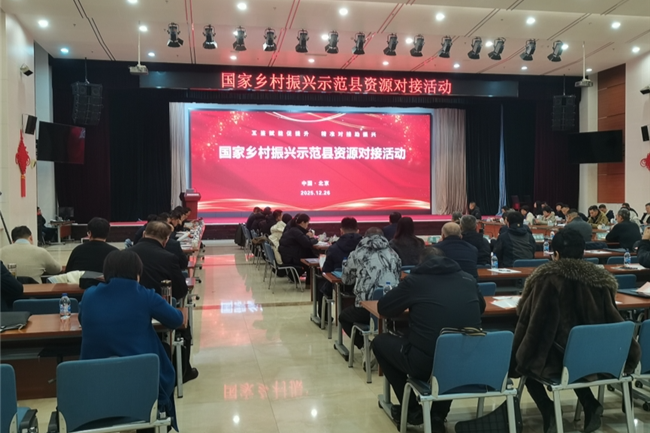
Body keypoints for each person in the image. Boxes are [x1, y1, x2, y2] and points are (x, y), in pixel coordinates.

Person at [513, 230, 640, 433]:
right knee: (576, 358)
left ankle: (548, 410)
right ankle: (590, 404)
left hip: (561, 360)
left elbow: (535, 322)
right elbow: (612, 317)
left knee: (525, 365)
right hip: (600, 357)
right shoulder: (601, 280)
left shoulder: (547, 279)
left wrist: (520, 353)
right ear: (583, 252)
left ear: (555, 254)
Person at [372, 247, 485, 430]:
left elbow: (384, 308)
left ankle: (412, 410)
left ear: (421, 264)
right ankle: (438, 415)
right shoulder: (468, 279)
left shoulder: (415, 281)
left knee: (379, 343)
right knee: (452, 348)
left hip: (426, 364)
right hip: (467, 362)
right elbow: (481, 307)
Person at [79, 249, 184, 431]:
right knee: (163, 351)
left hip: (94, 387)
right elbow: (176, 320)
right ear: (137, 273)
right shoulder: (145, 295)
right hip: (140, 385)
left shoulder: (89, 295)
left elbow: (83, 320)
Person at [130, 221, 196, 383]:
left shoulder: (127, 254)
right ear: (166, 240)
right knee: (183, 324)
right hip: (161, 312)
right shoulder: (168, 258)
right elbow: (181, 290)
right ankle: (184, 371)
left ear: (144, 234)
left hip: (131, 312)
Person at [340, 227, 401, 352]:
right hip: (392, 305)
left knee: (344, 317)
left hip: (366, 308)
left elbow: (346, 280)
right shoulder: (393, 253)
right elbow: (398, 276)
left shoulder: (357, 253)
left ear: (365, 237)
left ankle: (365, 346)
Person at [319, 217, 363, 316]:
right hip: (362, 287)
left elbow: (326, 270)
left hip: (340, 285)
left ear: (341, 231)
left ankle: (324, 317)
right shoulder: (365, 247)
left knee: (321, 285)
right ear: (358, 231)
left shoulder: (333, 248)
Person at [278, 213, 318, 278]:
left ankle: (313, 279)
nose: (307, 226)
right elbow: (307, 243)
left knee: (310, 254)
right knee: (312, 257)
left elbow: (303, 240)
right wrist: (314, 239)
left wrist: (307, 237)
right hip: (292, 258)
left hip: (287, 256)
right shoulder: (296, 231)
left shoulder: (293, 229)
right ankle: (314, 279)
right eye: (307, 223)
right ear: (302, 222)